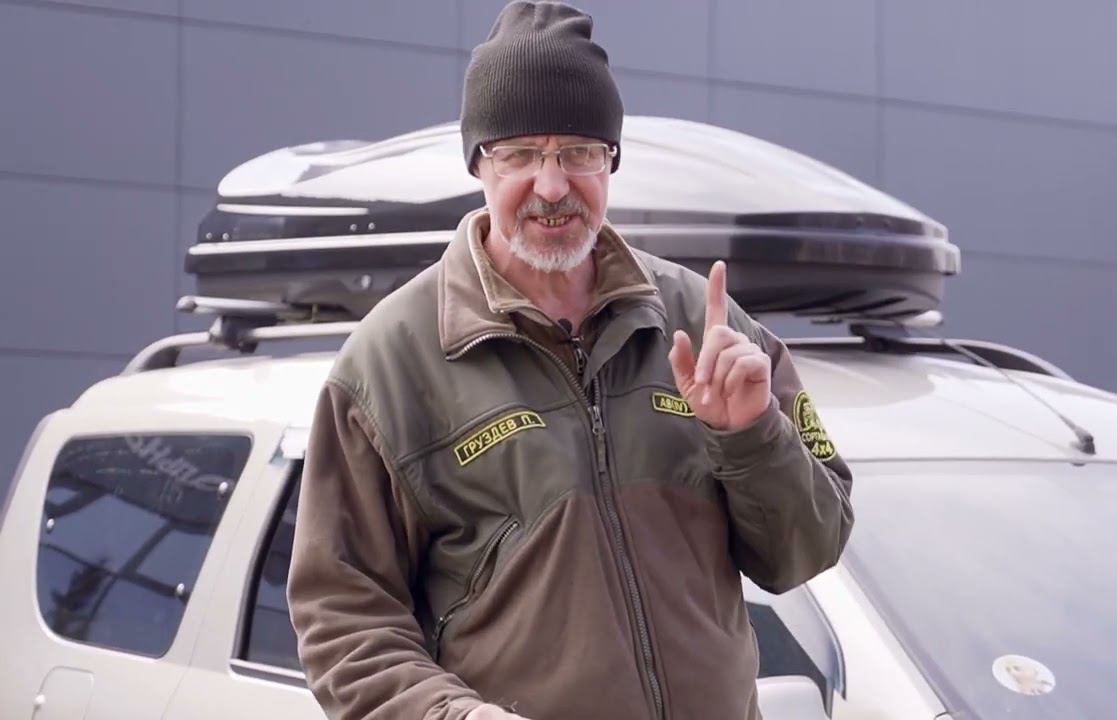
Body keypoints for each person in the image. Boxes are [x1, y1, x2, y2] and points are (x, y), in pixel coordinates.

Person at [286, 2, 854, 719]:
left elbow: (808, 550)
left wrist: (751, 437)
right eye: (520, 153)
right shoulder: (389, 365)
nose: (552, 186)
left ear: (610, 160)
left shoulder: (705, 325)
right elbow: (344, 622)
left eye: (579, 152)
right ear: (478, 164)